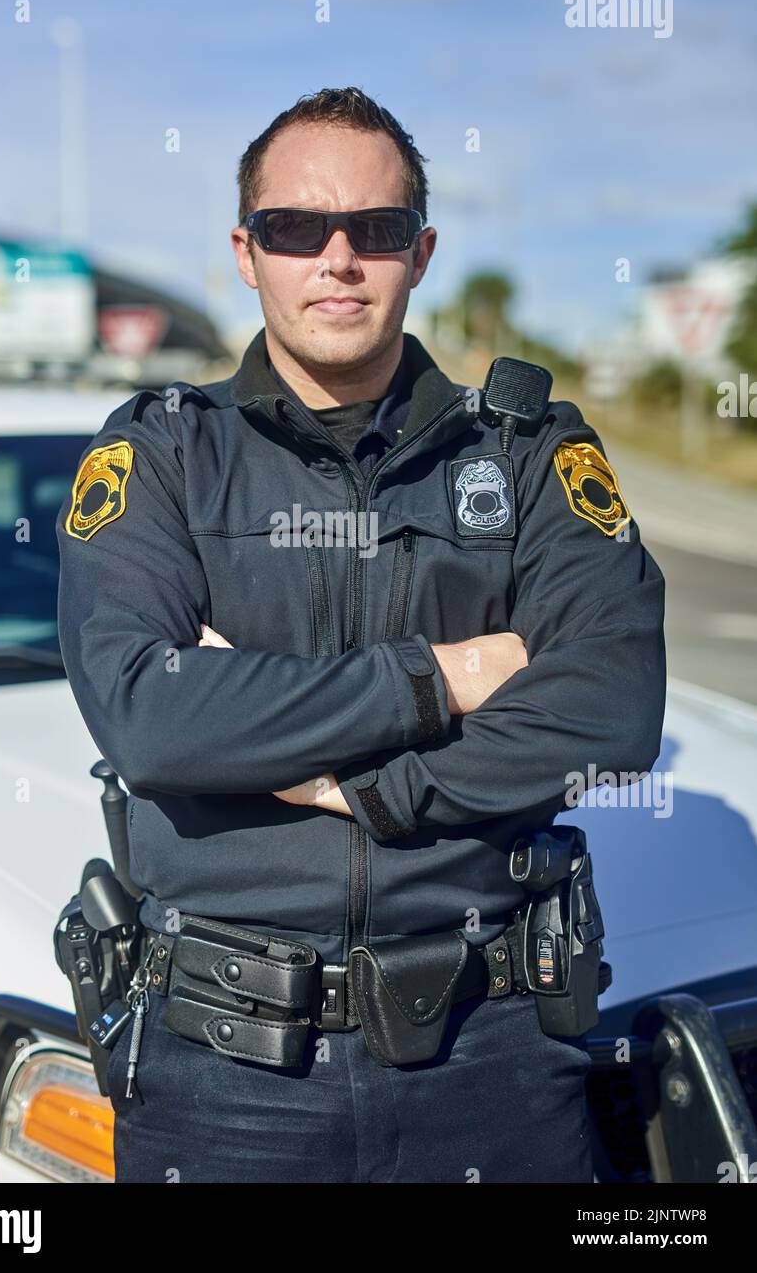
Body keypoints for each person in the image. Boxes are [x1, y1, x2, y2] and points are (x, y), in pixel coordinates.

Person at [55, 86, 666, 1184]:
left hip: (498, 1052)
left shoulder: (525, 454)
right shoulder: (159, 456)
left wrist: (364, 788)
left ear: (420, 252)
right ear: (247, 251)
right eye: (298, 228)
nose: (338, 258)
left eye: (374, 230)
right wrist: (443, 678)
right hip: (226, 1071)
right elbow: (149, 716)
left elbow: (612, 704)